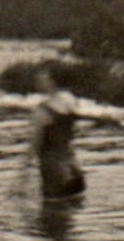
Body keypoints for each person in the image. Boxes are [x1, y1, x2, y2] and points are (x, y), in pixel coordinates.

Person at [29, 66, 85, 200]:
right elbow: (73, 128)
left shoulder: (42, 110)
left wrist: (21, 175)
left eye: (42, 79)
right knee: (73, 207)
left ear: (52, 81)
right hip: (74, 167)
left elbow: (35, 145)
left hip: (54, 170)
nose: (38, 82)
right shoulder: (70, 99)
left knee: (52, 213)